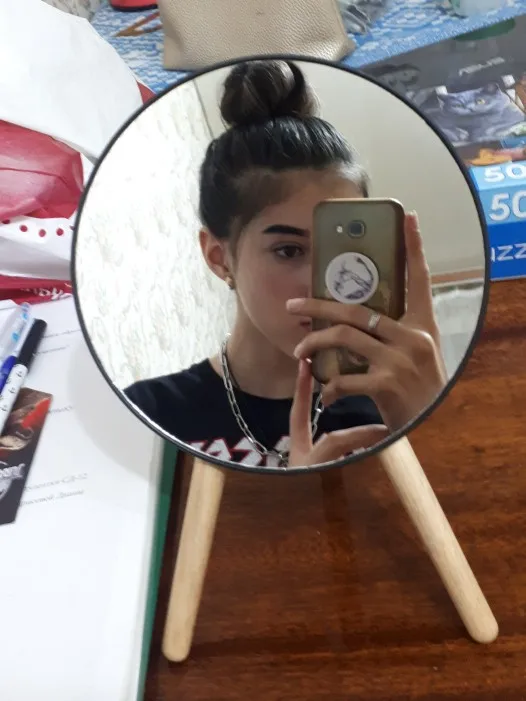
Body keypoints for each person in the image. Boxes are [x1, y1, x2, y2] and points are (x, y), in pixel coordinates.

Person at [124, 59, 447, 468]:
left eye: (339, 252)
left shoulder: (393, 401)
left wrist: (436, 421)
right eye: (289, 251)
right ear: (219, 258)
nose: (326, 285)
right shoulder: (148, 414)